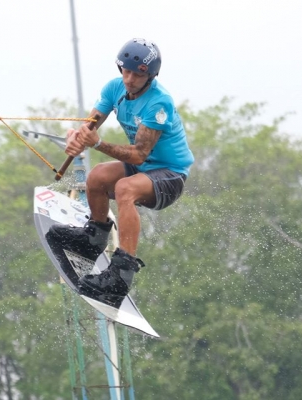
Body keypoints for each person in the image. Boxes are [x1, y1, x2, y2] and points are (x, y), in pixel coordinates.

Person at [48, 38, 194, 305]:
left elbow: (139, 154)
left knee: (125, 188)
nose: (128, 79)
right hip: (142, 168)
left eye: (136, 75)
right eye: (125, 72)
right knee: (98, 177)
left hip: (169, 175)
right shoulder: (114, 88)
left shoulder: (160, 104)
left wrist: (99, 143)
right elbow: (90, 125)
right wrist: (76, 136)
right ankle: (92, 239)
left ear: (149, 75)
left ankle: (121, 274)